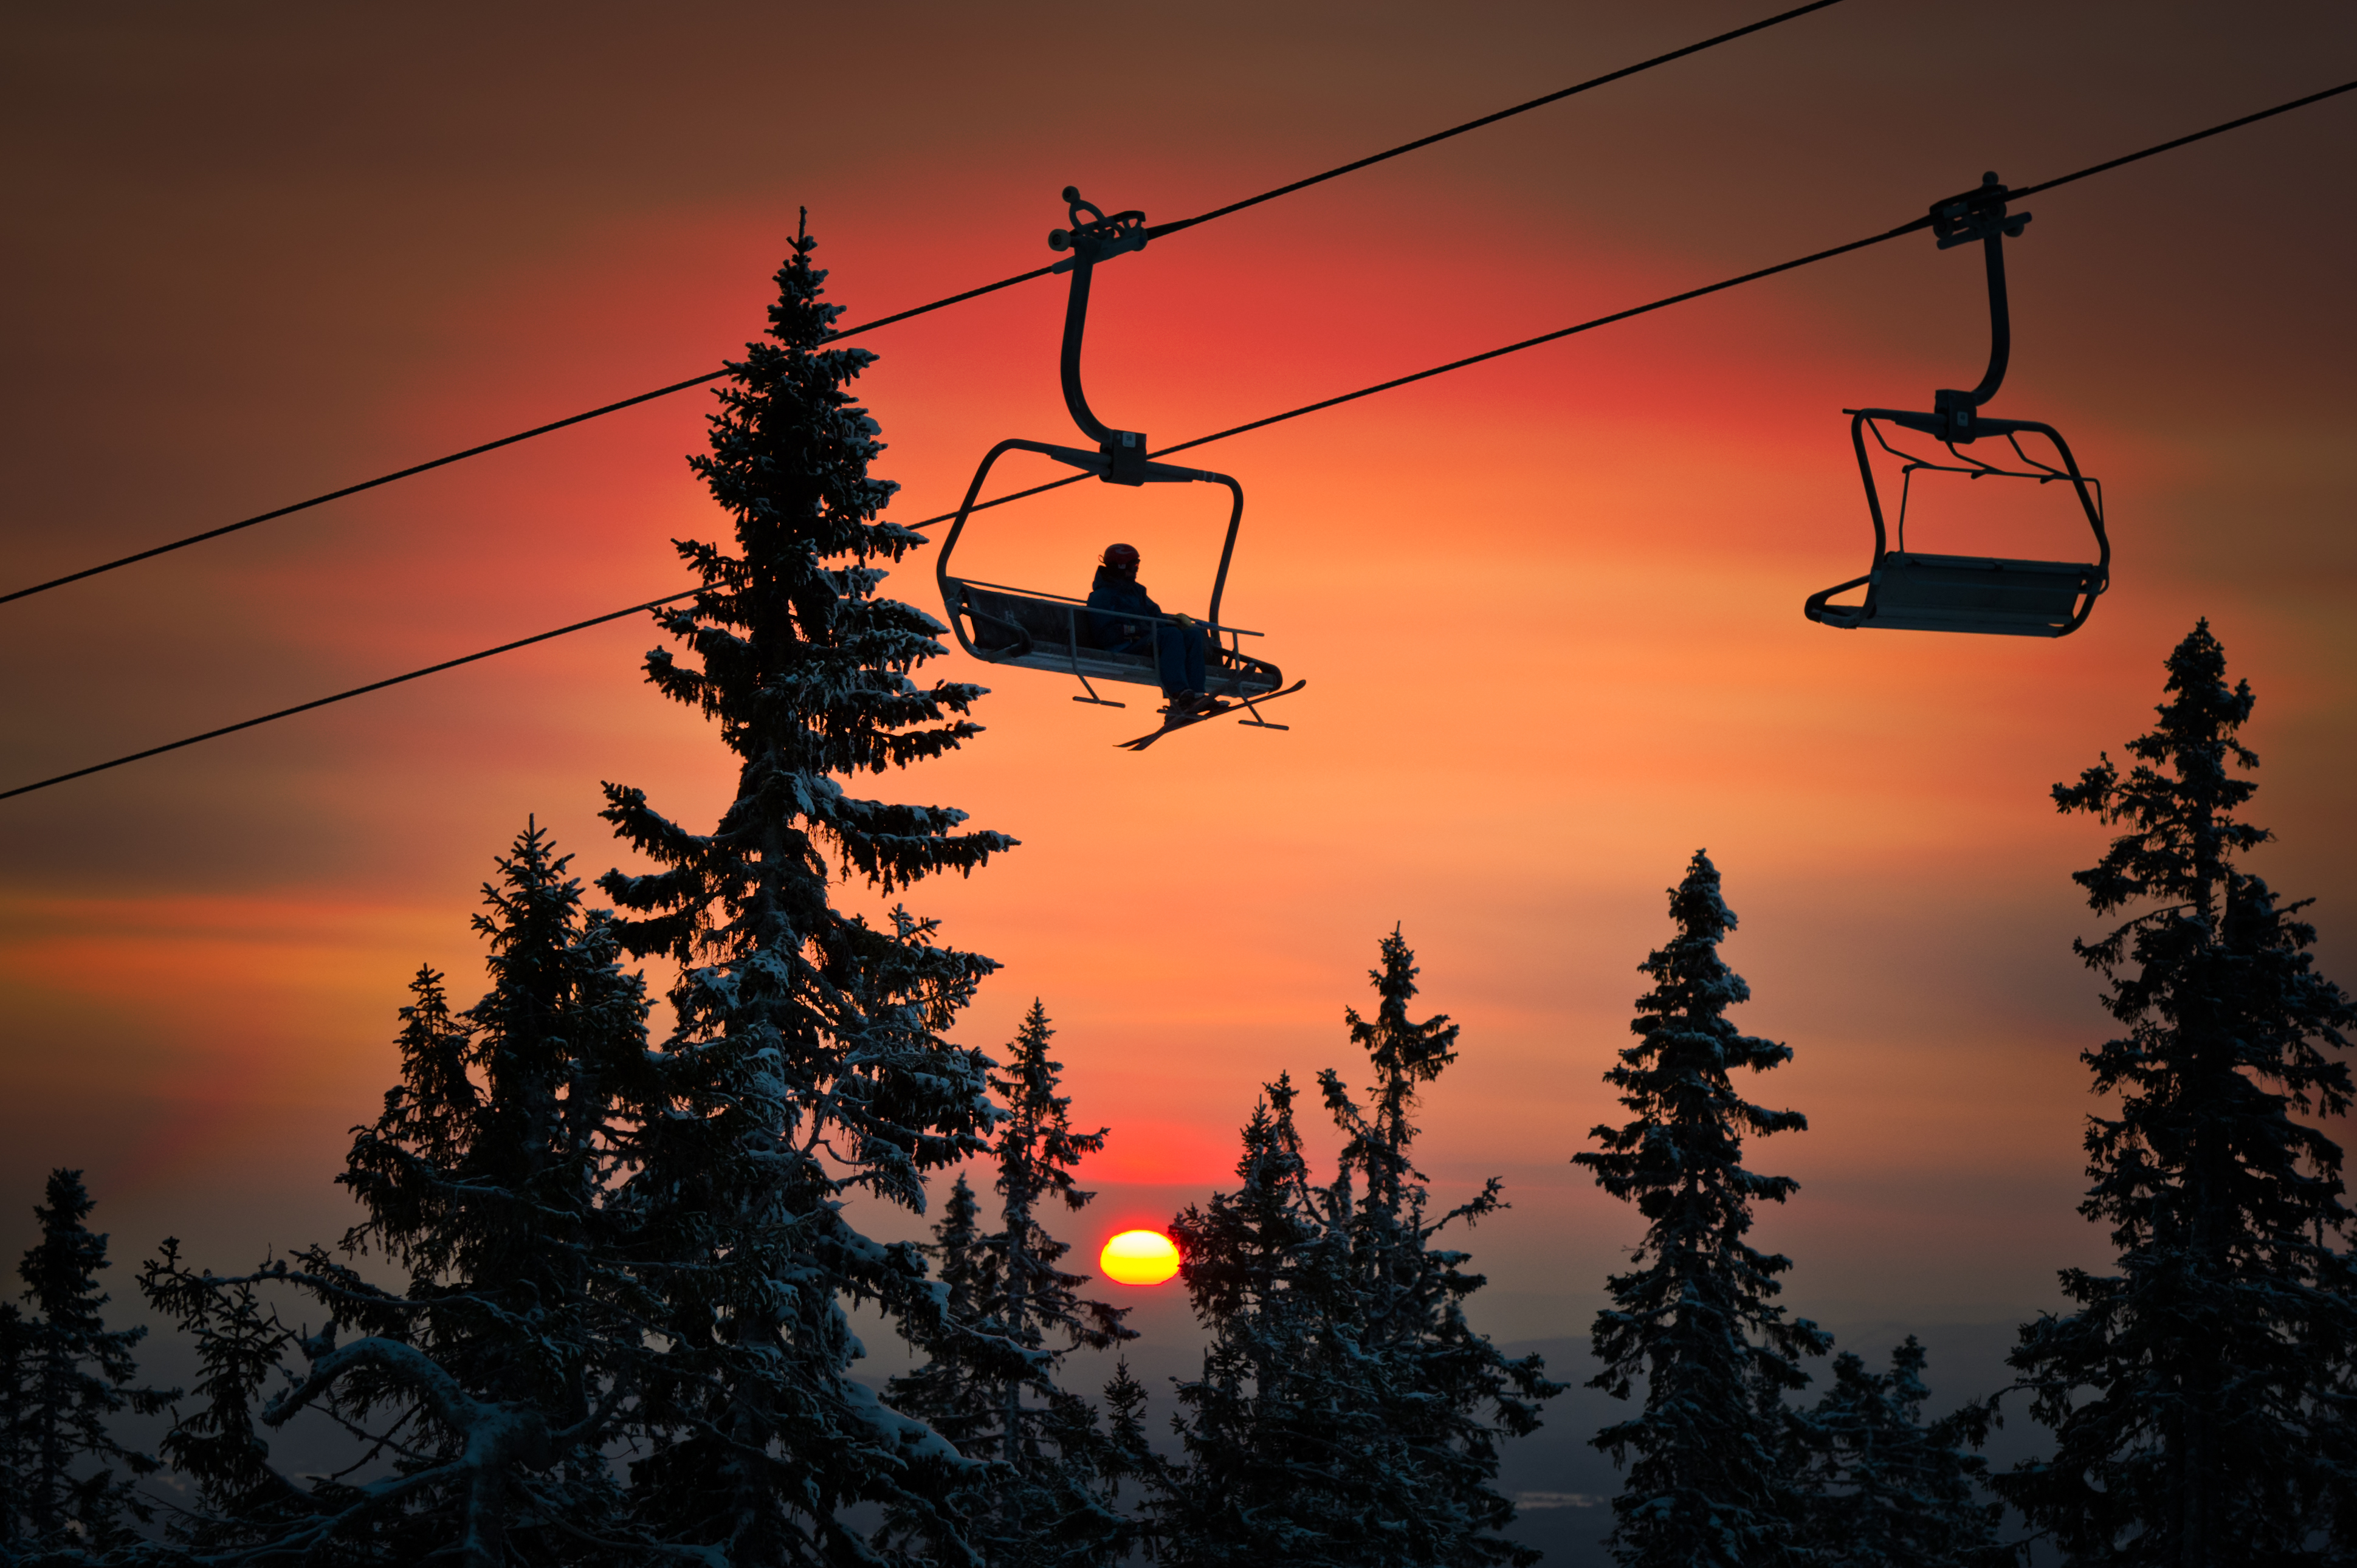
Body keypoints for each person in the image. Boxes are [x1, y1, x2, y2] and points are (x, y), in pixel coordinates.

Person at [1086, 542, 1211, 710]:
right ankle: (1177, 693)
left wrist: (1174, 621)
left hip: (1145, 640)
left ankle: (1197, 695)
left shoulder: (1137, 592)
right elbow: (1104, 635)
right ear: (1120, 567)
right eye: (1133, 566)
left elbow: (1155, 616)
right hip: (1123, 647)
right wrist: (1139, 631)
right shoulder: (1101, 597)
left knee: (1193, 635)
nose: (1136, 570)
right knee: (1170, 636)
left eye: (1137, 565)